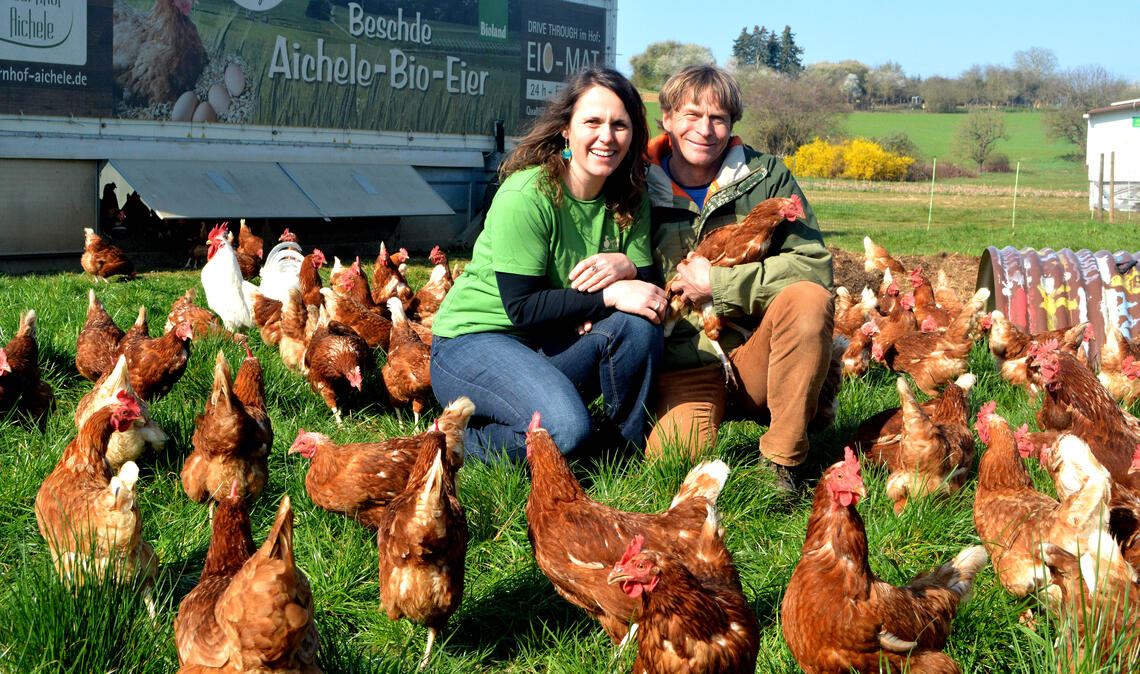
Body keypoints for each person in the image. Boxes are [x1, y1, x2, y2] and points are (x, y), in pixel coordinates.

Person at [430, 67, 665, 461]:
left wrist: (626, 266)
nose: (607, 136)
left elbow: (649, 290)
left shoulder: (630, 196)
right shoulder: (527, 194)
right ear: (566, 129)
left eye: (619, 125)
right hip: (475, 341)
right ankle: (458, 439)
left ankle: (619, 454)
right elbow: (522, 307)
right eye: (593, 122)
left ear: (633, 134)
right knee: (564, 428)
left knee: (639, 323)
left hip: (547, 340)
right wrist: (605, 297)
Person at [644, 65, 835, 492]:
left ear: (732, 123)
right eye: (692, 115)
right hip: (684, 367)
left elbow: (814, 265)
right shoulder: (636, 183)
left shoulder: (766, 177)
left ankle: (783, 460)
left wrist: (719, 285)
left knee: (809, 299)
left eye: (718, 118)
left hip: (755, 354)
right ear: (667, 119)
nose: (705, 129)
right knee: (671, 462)